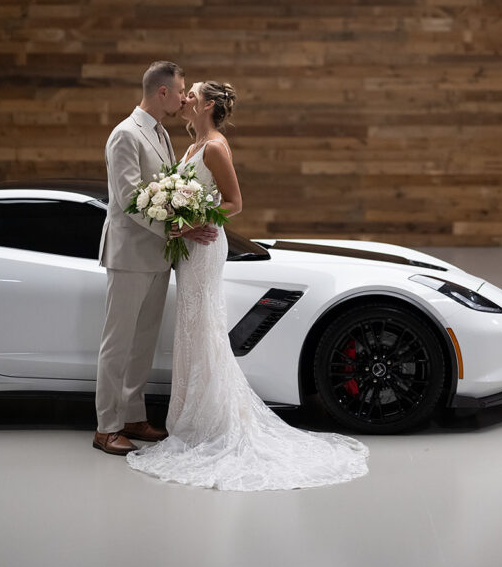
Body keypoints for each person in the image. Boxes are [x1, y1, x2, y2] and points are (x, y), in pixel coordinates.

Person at [127, 80, 369, 490]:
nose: (184, 99)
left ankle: (213, 421)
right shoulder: (190, 147)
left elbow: (233, 203)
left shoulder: (215, 147)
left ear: (205, 107)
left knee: (202, 326)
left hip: (204, 246)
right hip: (189, 248)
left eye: (192, 95)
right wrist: (175, 217)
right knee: (192, 329)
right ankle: (191, 417)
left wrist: (190, 220)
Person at [94, 61, 217, 456]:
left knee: (142, 344)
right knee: (118, 344)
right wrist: (177, 231)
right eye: (181, 90)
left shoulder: (162, 133)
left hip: (158, 256)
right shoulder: (124, 135)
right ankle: (106, 427)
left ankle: (132, 417)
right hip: (130, 254)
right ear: (163, 92)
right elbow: (131, 201)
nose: (184, 98)